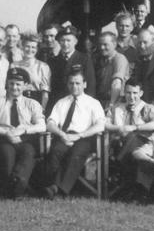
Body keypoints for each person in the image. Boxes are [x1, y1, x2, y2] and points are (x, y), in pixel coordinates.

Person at [42, 69, 106, 198]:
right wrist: (61, 134)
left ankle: (58, 189)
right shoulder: (62, 102)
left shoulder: (93, 103)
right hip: (63, 136)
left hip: (84, 138)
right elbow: (50, 123)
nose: (74, 86)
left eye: (77, 83)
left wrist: (79, 135)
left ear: (85, 84)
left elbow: (100, 125)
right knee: (55, 151)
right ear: (67, 84)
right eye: (71, 83)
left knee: (76, 154)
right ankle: (54, 186)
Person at [0, 68, 48, 198]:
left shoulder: (32, 103)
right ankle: (18, 189)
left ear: (25, 86)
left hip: (25, 139)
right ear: (6, 84)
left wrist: (24, 129)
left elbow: (42, 125)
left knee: (28, 153)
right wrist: (7, 133)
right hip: (4, 139)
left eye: (18, 84)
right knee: (7, 154)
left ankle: (14, 186)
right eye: (11, 83)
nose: (14, 87)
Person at [104, 80, 154, 196]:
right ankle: (133, 189)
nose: (131, 97)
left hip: (142, 145)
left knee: (133, 136)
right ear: (124, 92)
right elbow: (105, 124)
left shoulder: (148, 108)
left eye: (135, 93)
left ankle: (117, 165)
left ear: (141, 93)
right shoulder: (117, 108)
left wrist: (134, 127)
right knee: (129, 141)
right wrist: (119, 128)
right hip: (118, 145)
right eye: (128, 93)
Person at [91, 31, 130, 111]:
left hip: (115, 102)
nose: (102, 47)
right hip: (100, 101)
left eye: (105, 45)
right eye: (100, 44)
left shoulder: (119, 59)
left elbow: (117, 83)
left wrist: (112, 105)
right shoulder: (99, 59)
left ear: (114, 44)